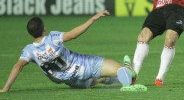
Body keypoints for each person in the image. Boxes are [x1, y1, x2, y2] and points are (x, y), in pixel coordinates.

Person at [0, 10, 147, 92]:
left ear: (30, 33)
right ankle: (128, 81)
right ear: (44, 28)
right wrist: (92, 19)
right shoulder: (52, 37)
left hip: (73, 82)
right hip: (86, 66)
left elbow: (17, 66)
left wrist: (5, 88)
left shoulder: (29, 50)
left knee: (101, 78)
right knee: (121, 70)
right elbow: (73, 34)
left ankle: (122, 77)